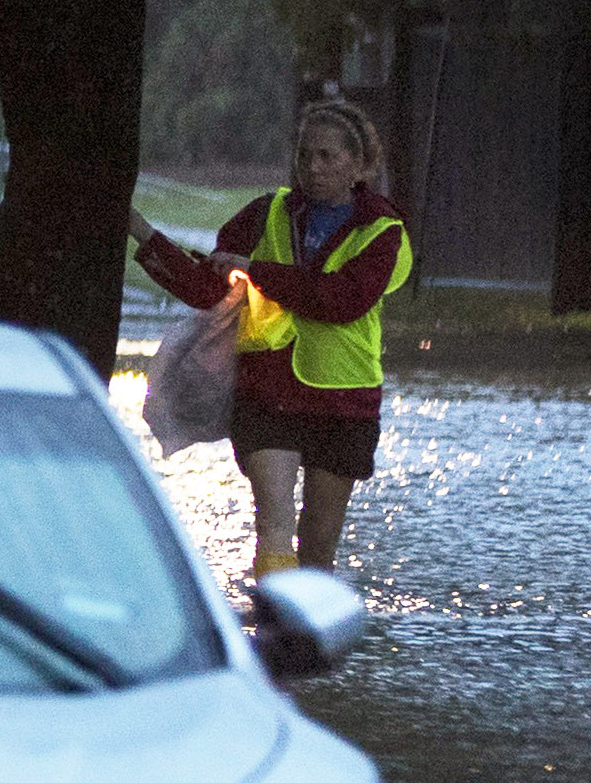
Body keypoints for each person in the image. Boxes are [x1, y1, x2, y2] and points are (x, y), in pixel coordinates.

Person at [132, 99, 415, 581]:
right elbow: (206, 285)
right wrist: (141, 233)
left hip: (345, 399)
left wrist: (256, 269)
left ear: (358, 166)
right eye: (306, 156)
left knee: (320, 538)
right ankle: (274, 628)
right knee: (274, 525)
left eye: (328, 157)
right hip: (268, 393)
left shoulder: (383, 232)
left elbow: (339, 300)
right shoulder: (265, 213)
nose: (313, 168)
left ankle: (309, 633)